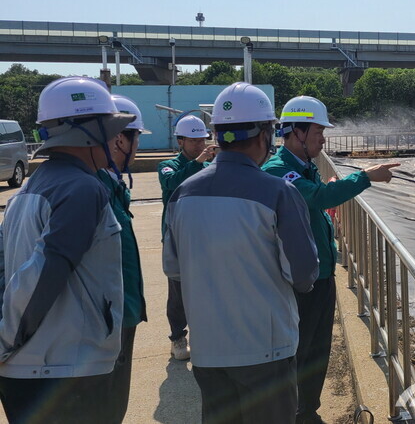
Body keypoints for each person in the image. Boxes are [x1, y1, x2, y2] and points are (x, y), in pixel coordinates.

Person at [163, 82, 319, 423]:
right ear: (266, 133)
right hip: (267, 350)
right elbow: (304, 276)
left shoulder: (183, 193)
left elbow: (173, 269)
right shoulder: (279, 191)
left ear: (217, 133)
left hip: (208, 352)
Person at [0, 77, 134, 424]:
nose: (115, 139)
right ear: (88, 131)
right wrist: (4, 341)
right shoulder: (81, 189)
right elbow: (42, 274)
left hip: (35, 368)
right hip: (63, 372)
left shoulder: (34, 185)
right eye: (109, 128)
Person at [263, 95, 398, 424]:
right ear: (297, 132)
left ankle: (308, 410)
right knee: (300, 350)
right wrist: (365, 176)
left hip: (320, 272)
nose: (323, 139)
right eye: (318, 133)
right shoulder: (280, 171)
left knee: (317, 349)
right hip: (300, 279)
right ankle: (294, 412)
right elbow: (319, 197)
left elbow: (316, 200)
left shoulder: (303, 166)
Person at [98, 94, 149, 423]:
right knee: (107, 407)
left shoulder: (111, 187)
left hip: (120, 315)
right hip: (108, 322)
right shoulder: (95, 191)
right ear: (120, 138)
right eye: (137, 138)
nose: (138, 148)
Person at [157, 113, 216, 361]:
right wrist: (199, 162)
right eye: (193, 141)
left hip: (203, 235)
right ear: (180, 141)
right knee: (178, 290)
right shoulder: (169, 165)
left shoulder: (209, 165)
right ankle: (177, 338)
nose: (200, 145)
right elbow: (172, 183)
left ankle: (205, 335)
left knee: (207, 288)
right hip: (177, 237)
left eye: (202, 140)